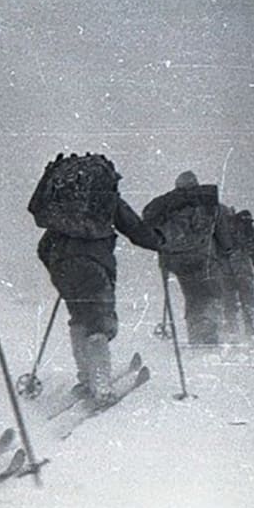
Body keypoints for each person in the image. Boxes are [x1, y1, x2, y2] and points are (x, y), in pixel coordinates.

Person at [30, 153, 163, 406]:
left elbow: (43, 244)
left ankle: (86, 379)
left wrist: (57, 266)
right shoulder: (105, 198)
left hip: (60, 264)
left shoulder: (60, 204)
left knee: (79, 318)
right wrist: (161, 242)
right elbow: (135, 229)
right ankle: (101, 386)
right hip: (93, 265)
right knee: (98, 322)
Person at [142, 171, 233, 346]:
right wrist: (226, 251)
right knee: (209, 295)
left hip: (177, 261)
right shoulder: (211, 205)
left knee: (192, 297)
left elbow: (150, 226)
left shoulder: (168, 205)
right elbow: (224, 238)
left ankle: (196, 336)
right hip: (203, 258)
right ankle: (207, 336)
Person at [219, 207, 254, 339]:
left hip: (226, 270)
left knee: (230, 301)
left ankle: (232, 329)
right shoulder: (246, 232)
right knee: (246, 299)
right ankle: (249, 328)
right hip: (240, 270)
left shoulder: (223, 230)